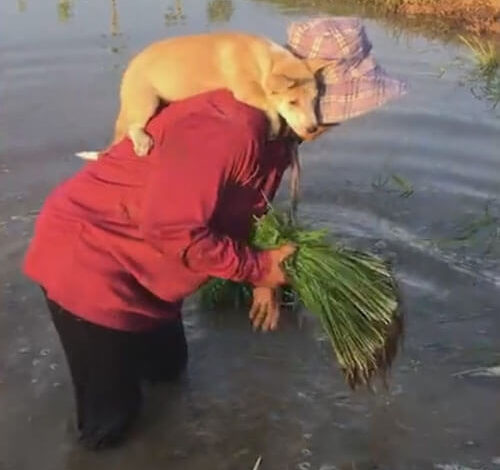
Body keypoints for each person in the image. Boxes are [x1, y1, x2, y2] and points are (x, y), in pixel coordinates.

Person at [23, 17, 406, 450]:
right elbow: (171, 228)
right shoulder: (231, 127)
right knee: (111, 424)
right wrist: (259, 267)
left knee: (169, 373)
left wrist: (259, 275)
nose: (333, 123)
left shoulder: (276, 134)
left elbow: (238, 204)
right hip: (91, 264)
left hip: (152, 266)